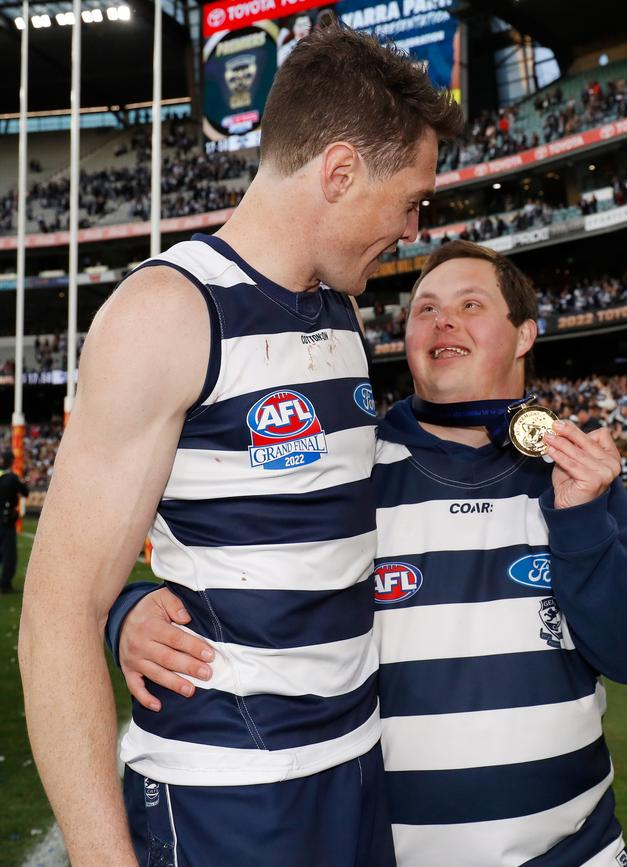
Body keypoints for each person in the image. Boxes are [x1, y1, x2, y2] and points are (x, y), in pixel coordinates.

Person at [18, 25, 463, 867]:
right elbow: (55, 616)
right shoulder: (169, 311)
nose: (413, 224)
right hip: (229, 794)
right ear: (338, 172)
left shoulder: (341, 313)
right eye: (410, 198)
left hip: (358, 769)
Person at [116, 241, 627, 866]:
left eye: (470, 304)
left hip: (575, 852)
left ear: (525, 333)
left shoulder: (575, 471)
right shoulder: (350, 468)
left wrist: (583, 517)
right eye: (425, 309)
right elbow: (230, 574)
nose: (443, 320)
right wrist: (130, 610)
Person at [0, 450, 29, 594]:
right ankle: (5, 583)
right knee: (9, 554)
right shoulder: (12, 478)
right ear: (11, 462)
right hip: (7, 521)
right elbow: (25, 492)